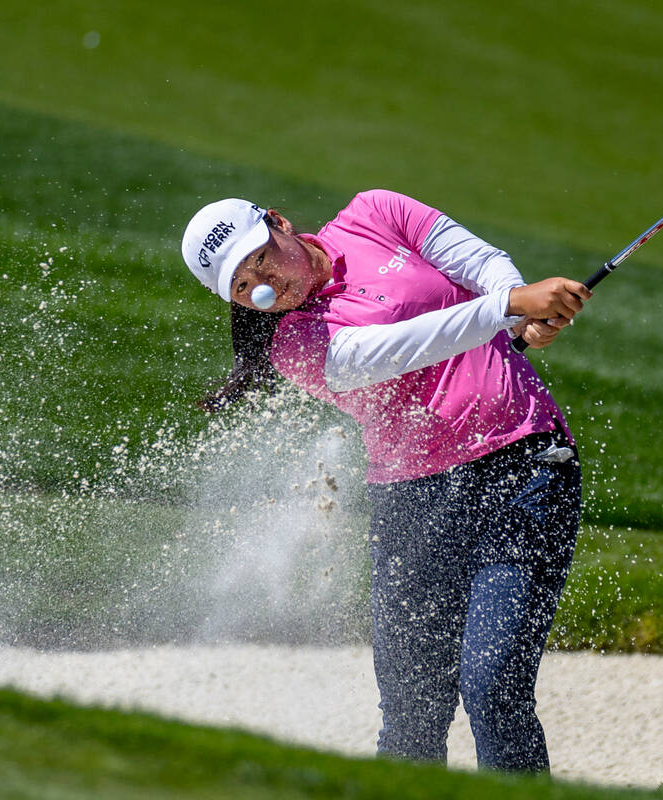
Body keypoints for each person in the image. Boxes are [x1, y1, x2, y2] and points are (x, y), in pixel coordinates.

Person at [179, 190, 590, 772]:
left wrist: (519, 306)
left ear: (279, 223)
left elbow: (479, 261)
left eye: (261, 259)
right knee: (412, 712)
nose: (264, 286)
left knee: (492, 685)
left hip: (522, 466)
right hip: (412, 502)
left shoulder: (374, 213)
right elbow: (400, 348)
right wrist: (507, 308)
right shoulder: (294, 343)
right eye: (243, 287)